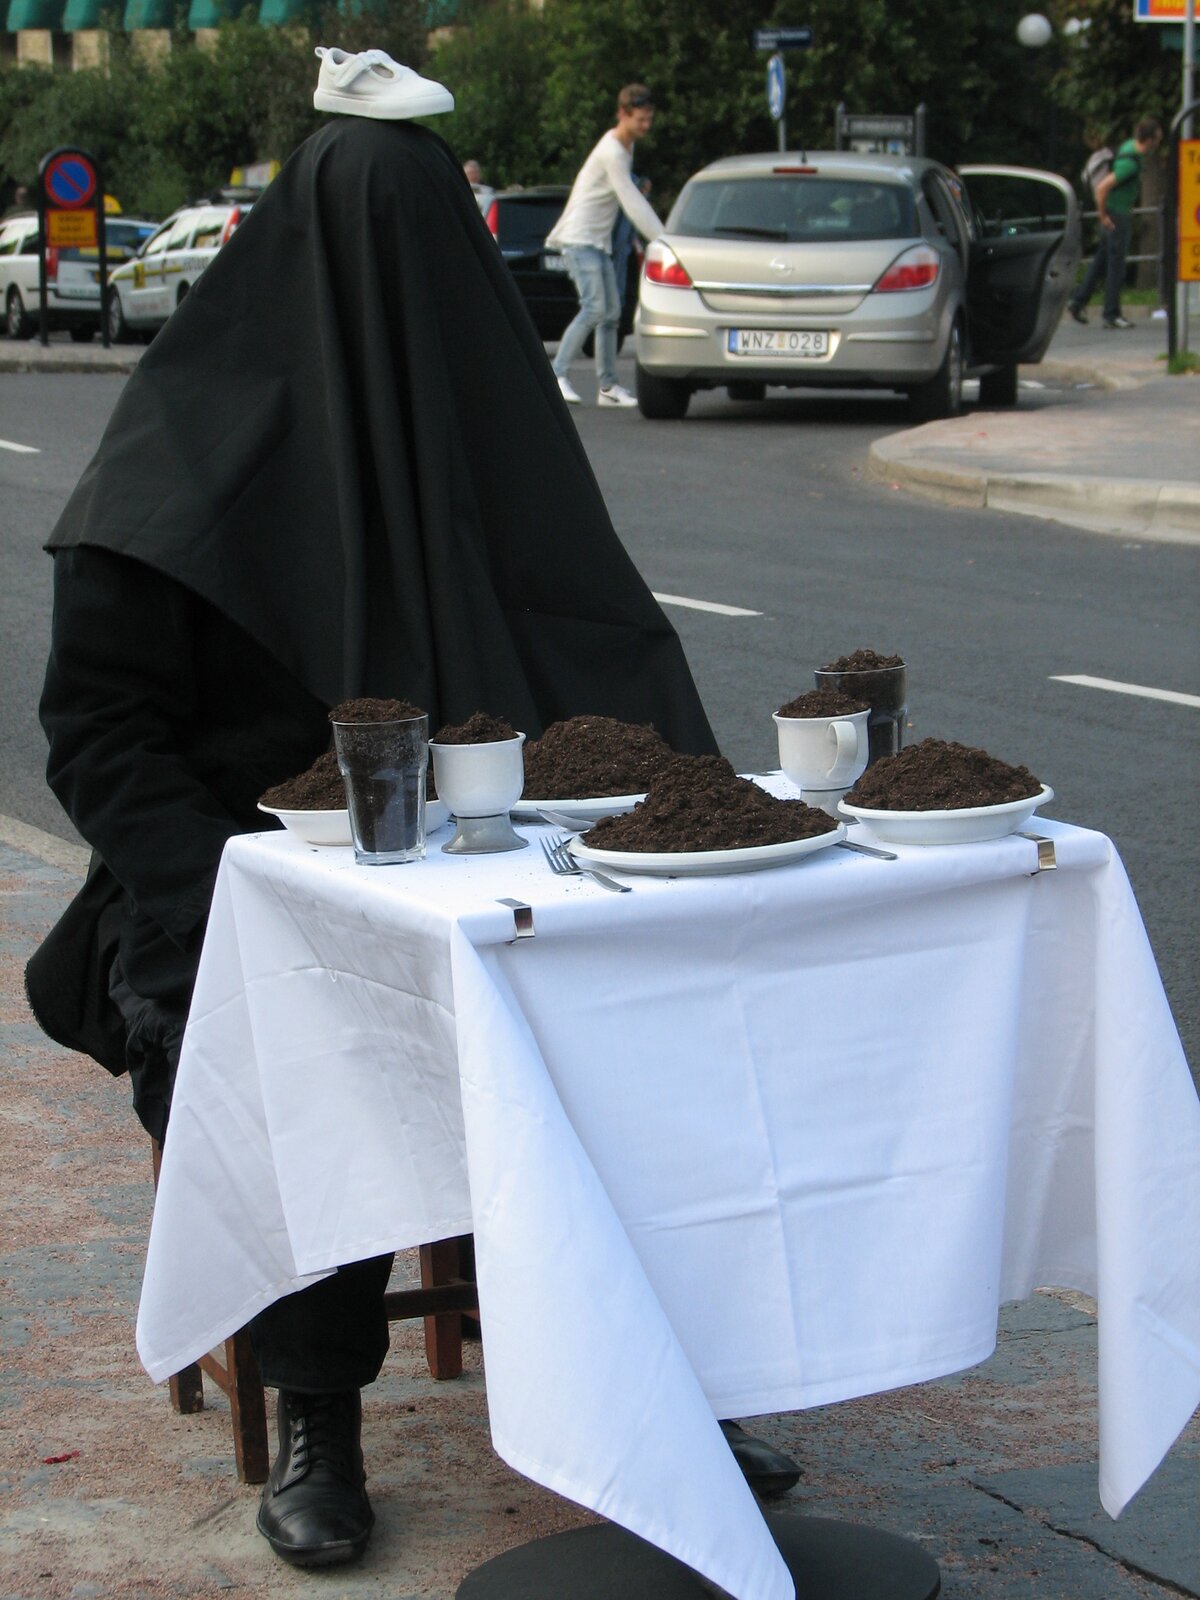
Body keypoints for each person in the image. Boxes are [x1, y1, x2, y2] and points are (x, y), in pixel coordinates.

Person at [25, 63, 798, 1573]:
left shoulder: (479, 441)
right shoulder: (183, 454)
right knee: (295, 1042)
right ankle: (319, 1407)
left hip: (503, 884)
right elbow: (96, 737)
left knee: (664, 1009)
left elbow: (606, 663)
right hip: (235, 883)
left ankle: (660, 1376)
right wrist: (247, 903)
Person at [546, 84, 665, 407]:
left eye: (649, 119)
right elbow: (631, 201)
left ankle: (608, 388)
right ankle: (556, 375)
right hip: (578, 238)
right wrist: (664, 240)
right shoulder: (612, 150)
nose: (646, 126)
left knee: (611, 313)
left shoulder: (627, 148)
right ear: (622, 114)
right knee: (595, 308)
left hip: (596, 242)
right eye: (640, 119)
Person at [1067, 117, 1162, 330]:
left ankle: (1078, 301)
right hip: (1116, 215)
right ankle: (1111, 314)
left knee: (1101, 259)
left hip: (1115, 212)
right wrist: (1103, 216)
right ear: (1149, 140)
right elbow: (1102, 188)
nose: (1159, 143)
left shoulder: (1129, 147)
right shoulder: (1130, 163)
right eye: (1157, 139)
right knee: (1116, 265)